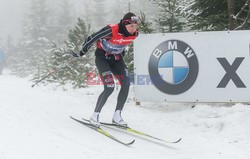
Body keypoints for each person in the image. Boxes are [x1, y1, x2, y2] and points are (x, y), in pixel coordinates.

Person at [73, 12, 139, 127]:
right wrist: (82, 51)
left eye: (135, 26)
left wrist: (121, 51)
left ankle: (117, 116)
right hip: (102, 59)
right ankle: (95, 116)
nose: (134, 29)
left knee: (126, 83)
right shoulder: (111, 30)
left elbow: (122, 43)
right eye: (131, 26)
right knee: (109, 87)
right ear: (124, 24)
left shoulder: (135, 34)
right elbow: (93, 38)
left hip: (117, 60)